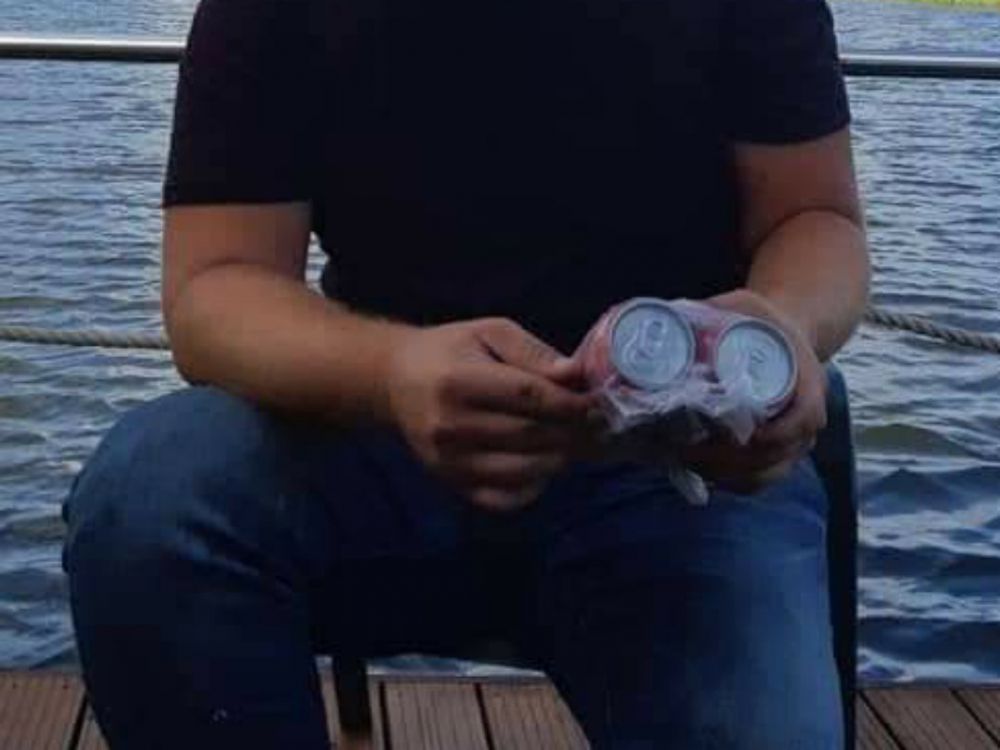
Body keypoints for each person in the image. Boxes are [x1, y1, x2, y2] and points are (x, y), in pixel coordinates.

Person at [63, 0, 869, 745]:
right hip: (373, 433)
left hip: (679, 465)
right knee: (151, 503)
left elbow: (814, 216)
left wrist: (782, 325)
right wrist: (390, 373)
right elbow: (213, 287)